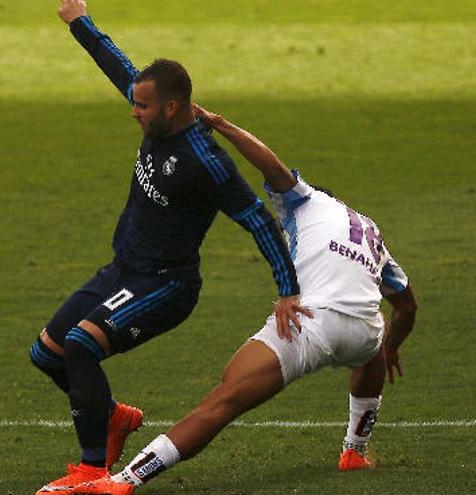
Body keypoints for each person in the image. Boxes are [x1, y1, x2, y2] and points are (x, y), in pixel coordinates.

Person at [31, 2, 310, 493]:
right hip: (122, 270)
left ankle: (93, 471)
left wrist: (287, 290)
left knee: (80, 347)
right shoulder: (154, 117)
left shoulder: (206, 162)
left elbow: (259, 221)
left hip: (166, 284)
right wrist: (79, 20)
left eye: (141, 105)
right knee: (47, 353)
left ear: (172, 107)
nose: (133, 111)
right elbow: (115, 61)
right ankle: (113, 418)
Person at [70, 106, 419, 494]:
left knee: (222, 401)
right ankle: (354, 451)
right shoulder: (370, 232)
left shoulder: (307, 202)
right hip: (364, 331)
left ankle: (122, 481)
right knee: (373, 342)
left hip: (310, 323)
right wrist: (391, 347)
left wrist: (221, 126)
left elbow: (273, 169)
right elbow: (406, 305)